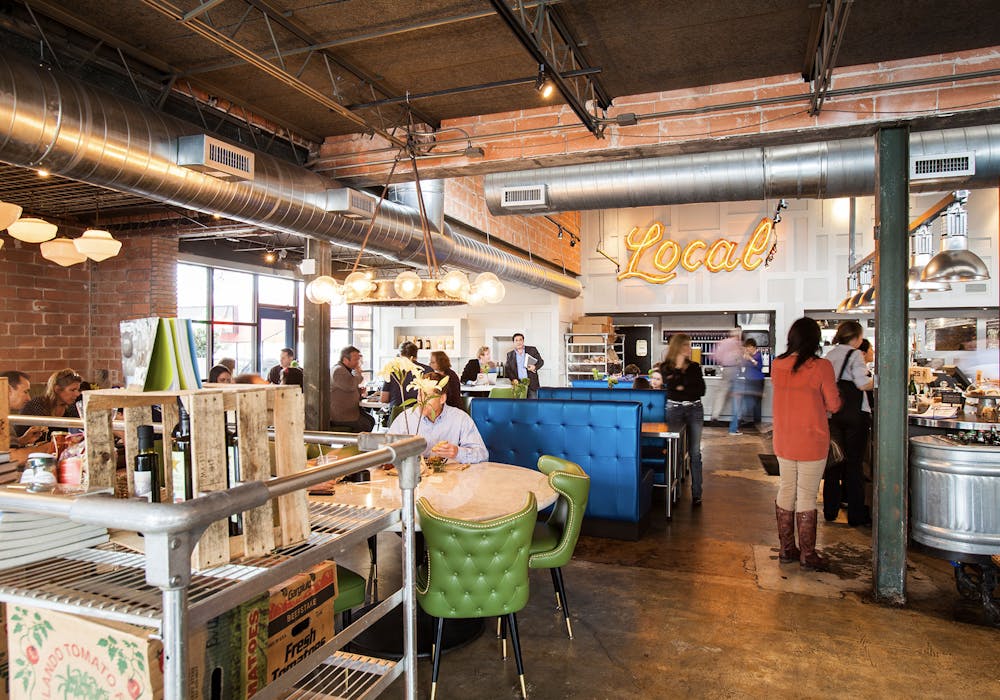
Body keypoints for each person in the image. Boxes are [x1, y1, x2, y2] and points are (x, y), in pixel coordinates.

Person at [771, 317, 842, 570]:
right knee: (807, 495)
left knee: (787, 489)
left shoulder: (777, 364)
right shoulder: (821, 366)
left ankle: (787, 548)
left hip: (784, 438)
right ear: (814, 339)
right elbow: (834, 404)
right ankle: (808, 554)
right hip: (812, 439)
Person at [823, 320, 874, 527]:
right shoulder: (855, 355)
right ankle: (855, 514)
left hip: (833, 415)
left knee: (834, 463)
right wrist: (877, 381)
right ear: (857, 337)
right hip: (854, 417)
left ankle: (830, 510)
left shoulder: (829, 355)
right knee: (854, 465)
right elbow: (862, 384)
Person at [388, 371, 489, 464]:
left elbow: (482, 455)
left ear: (442, 398)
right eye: (419, 395)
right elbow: (385, 450)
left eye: (428, 396)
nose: (421, 401)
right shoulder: (406, 418)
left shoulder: (460, 418)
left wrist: (458, 452)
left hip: (451, 479)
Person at [660, 334, 706, 505]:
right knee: (676, 452)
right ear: (678, 347)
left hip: (694, 409)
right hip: (675, 410)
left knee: (695, 452)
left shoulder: (694, 366)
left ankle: (697, 493)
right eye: (686, 345)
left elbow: (701, 390)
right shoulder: (666, 367)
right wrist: (683, 383)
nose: (689, 348)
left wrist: (681, 386)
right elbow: (672, 388)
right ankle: (675, 491)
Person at [331, 346, 374, 432]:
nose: (358, 363)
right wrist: (358, 373)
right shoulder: (338, 370)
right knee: (366, 425)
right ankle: (352, 444)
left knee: (371, 420)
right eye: (356, 360)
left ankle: (356, 444)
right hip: (342, 415)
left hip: (351, 411)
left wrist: (358, 392)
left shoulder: (346, 370)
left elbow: (346, 388)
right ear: (345, 360)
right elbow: (349, 385)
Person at [380, 341, 431, 411]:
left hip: (397, 413)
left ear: (400, 354)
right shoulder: (428, 370)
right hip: (420, 413)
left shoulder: (392, 370)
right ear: (416, 355)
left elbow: (384, 399)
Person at [730, 338, 765, 434]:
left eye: (749, 347)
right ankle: (743, 421)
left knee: (756, 403)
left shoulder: (758, 355)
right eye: (747, 348)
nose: (748, 349)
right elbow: (741, 365)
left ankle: (757, 424)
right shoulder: (746, 355)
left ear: (753, 347)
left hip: (757, 381)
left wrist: (751, 359)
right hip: (748, 381)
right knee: (747, 402)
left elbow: (759, 367)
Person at [2, 370, 46, 446]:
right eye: (25, 392)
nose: (29, 398)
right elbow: (12, 455)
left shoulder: (4, 416)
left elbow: (5, 448)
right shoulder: (2, 419)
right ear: (8, 389)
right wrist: (50, 447)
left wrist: (23, 440)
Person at [710, 328, 743, 422]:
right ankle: (738, 418)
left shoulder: (723, 342)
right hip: (734, 369)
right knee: (737, 394)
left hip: (726, 369)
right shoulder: (737, 344)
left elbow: (715, 355)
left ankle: (715, 415)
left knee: (721, 393)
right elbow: (740, 358)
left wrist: (722, 361)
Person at [503, 332, 544, 399]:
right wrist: (513, 379)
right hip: (518, 385)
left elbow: (541, 362)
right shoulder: (509, 354)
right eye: (516, 340)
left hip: (532, 384)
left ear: (523, 341)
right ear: (513, 342)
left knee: (533, 405)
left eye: (520, 340)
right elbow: (508, 369)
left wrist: (535, 367)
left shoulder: (532, 350)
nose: (518, 342)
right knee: (520, 405)